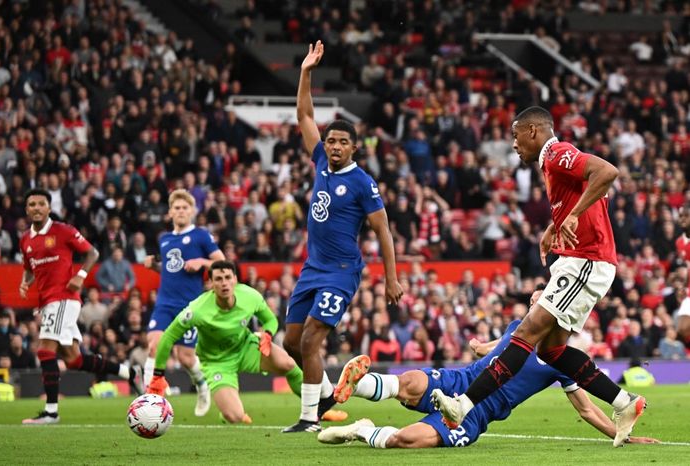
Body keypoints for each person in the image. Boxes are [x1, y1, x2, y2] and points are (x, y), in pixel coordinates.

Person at [431, 106, 646, 447]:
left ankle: (464, 404)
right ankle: (624, 403)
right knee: (551, 350)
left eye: (516, 136)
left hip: (586, 260)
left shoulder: (557, 153)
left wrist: (572, 216)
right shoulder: (552, 164)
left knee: (528, 330)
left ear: (533, 131)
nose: (514, 145)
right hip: (579, 260)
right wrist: (555, 226)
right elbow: (580, 195)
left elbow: (607, 172)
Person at [319, 287, 659, 449]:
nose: (536, 303)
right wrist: (478, 347)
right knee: (409, 381)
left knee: (407, 440)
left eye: (543, 300)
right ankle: (359, 384)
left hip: (478, 412)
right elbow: (495, 349)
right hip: (462, 380)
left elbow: (586, 410)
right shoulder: (517, 328)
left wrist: (623, 435)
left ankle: (361, 429)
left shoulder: (562, 359)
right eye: (535, 299)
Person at [282, 40, 403, 433]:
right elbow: (304, 114)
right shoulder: (319, 161)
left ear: (354, 147)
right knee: (292, 344)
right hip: (312, 268)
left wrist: (391, 278)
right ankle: (333, 392)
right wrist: (305, 72)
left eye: (341, 142)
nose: (333, 146)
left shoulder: (363, 183)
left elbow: (382, 229)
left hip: (341, 271)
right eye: (330, 140)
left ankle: (308, 418)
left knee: (313, 339)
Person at [18, 188, 141, 424]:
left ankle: (51, 412)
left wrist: (81, 275)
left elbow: (92, 253)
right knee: (73, 359)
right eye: (31, 204)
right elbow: (30, 268)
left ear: (48, 207)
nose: (36, 208)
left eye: (41, 204)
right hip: (47, 302)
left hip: (64, 297)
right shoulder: (26, 239)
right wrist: (25, 282)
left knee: (45, 350)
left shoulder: (62, 231)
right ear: (26, 209)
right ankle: (130, 372)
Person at [145, 260, 304, 424]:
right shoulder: (197, 310)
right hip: (217, 362)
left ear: (235, 279)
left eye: (228, 277)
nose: (224, 283)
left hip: (245, 347)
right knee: (235, 416)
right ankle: (226, 412)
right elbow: (168, 336)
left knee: (289, 364)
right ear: (211, 283)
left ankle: (312, 411)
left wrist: (268, 334)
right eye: (219, 279)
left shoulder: (250, 296)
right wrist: (158, 375)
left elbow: (270, 320)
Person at [143, 189, 225, 417]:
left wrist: (201, 261)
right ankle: (149, 401)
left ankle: (201, 386)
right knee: (154, 346)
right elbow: (171, 270)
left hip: (189, 306)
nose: (180, 211)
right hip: (164, 303)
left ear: (192, 211)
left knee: (185, 357)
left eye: (184, 208)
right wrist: (154, 267)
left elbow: (223, 264)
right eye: (176, 208)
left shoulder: (201, 235)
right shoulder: (165, 239)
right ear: (170, 212)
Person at [674, 207, 690, 346]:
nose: (683, 219)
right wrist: (684, 287)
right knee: (681, 329)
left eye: (686, 215)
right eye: (681, 216)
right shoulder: (679, 242)